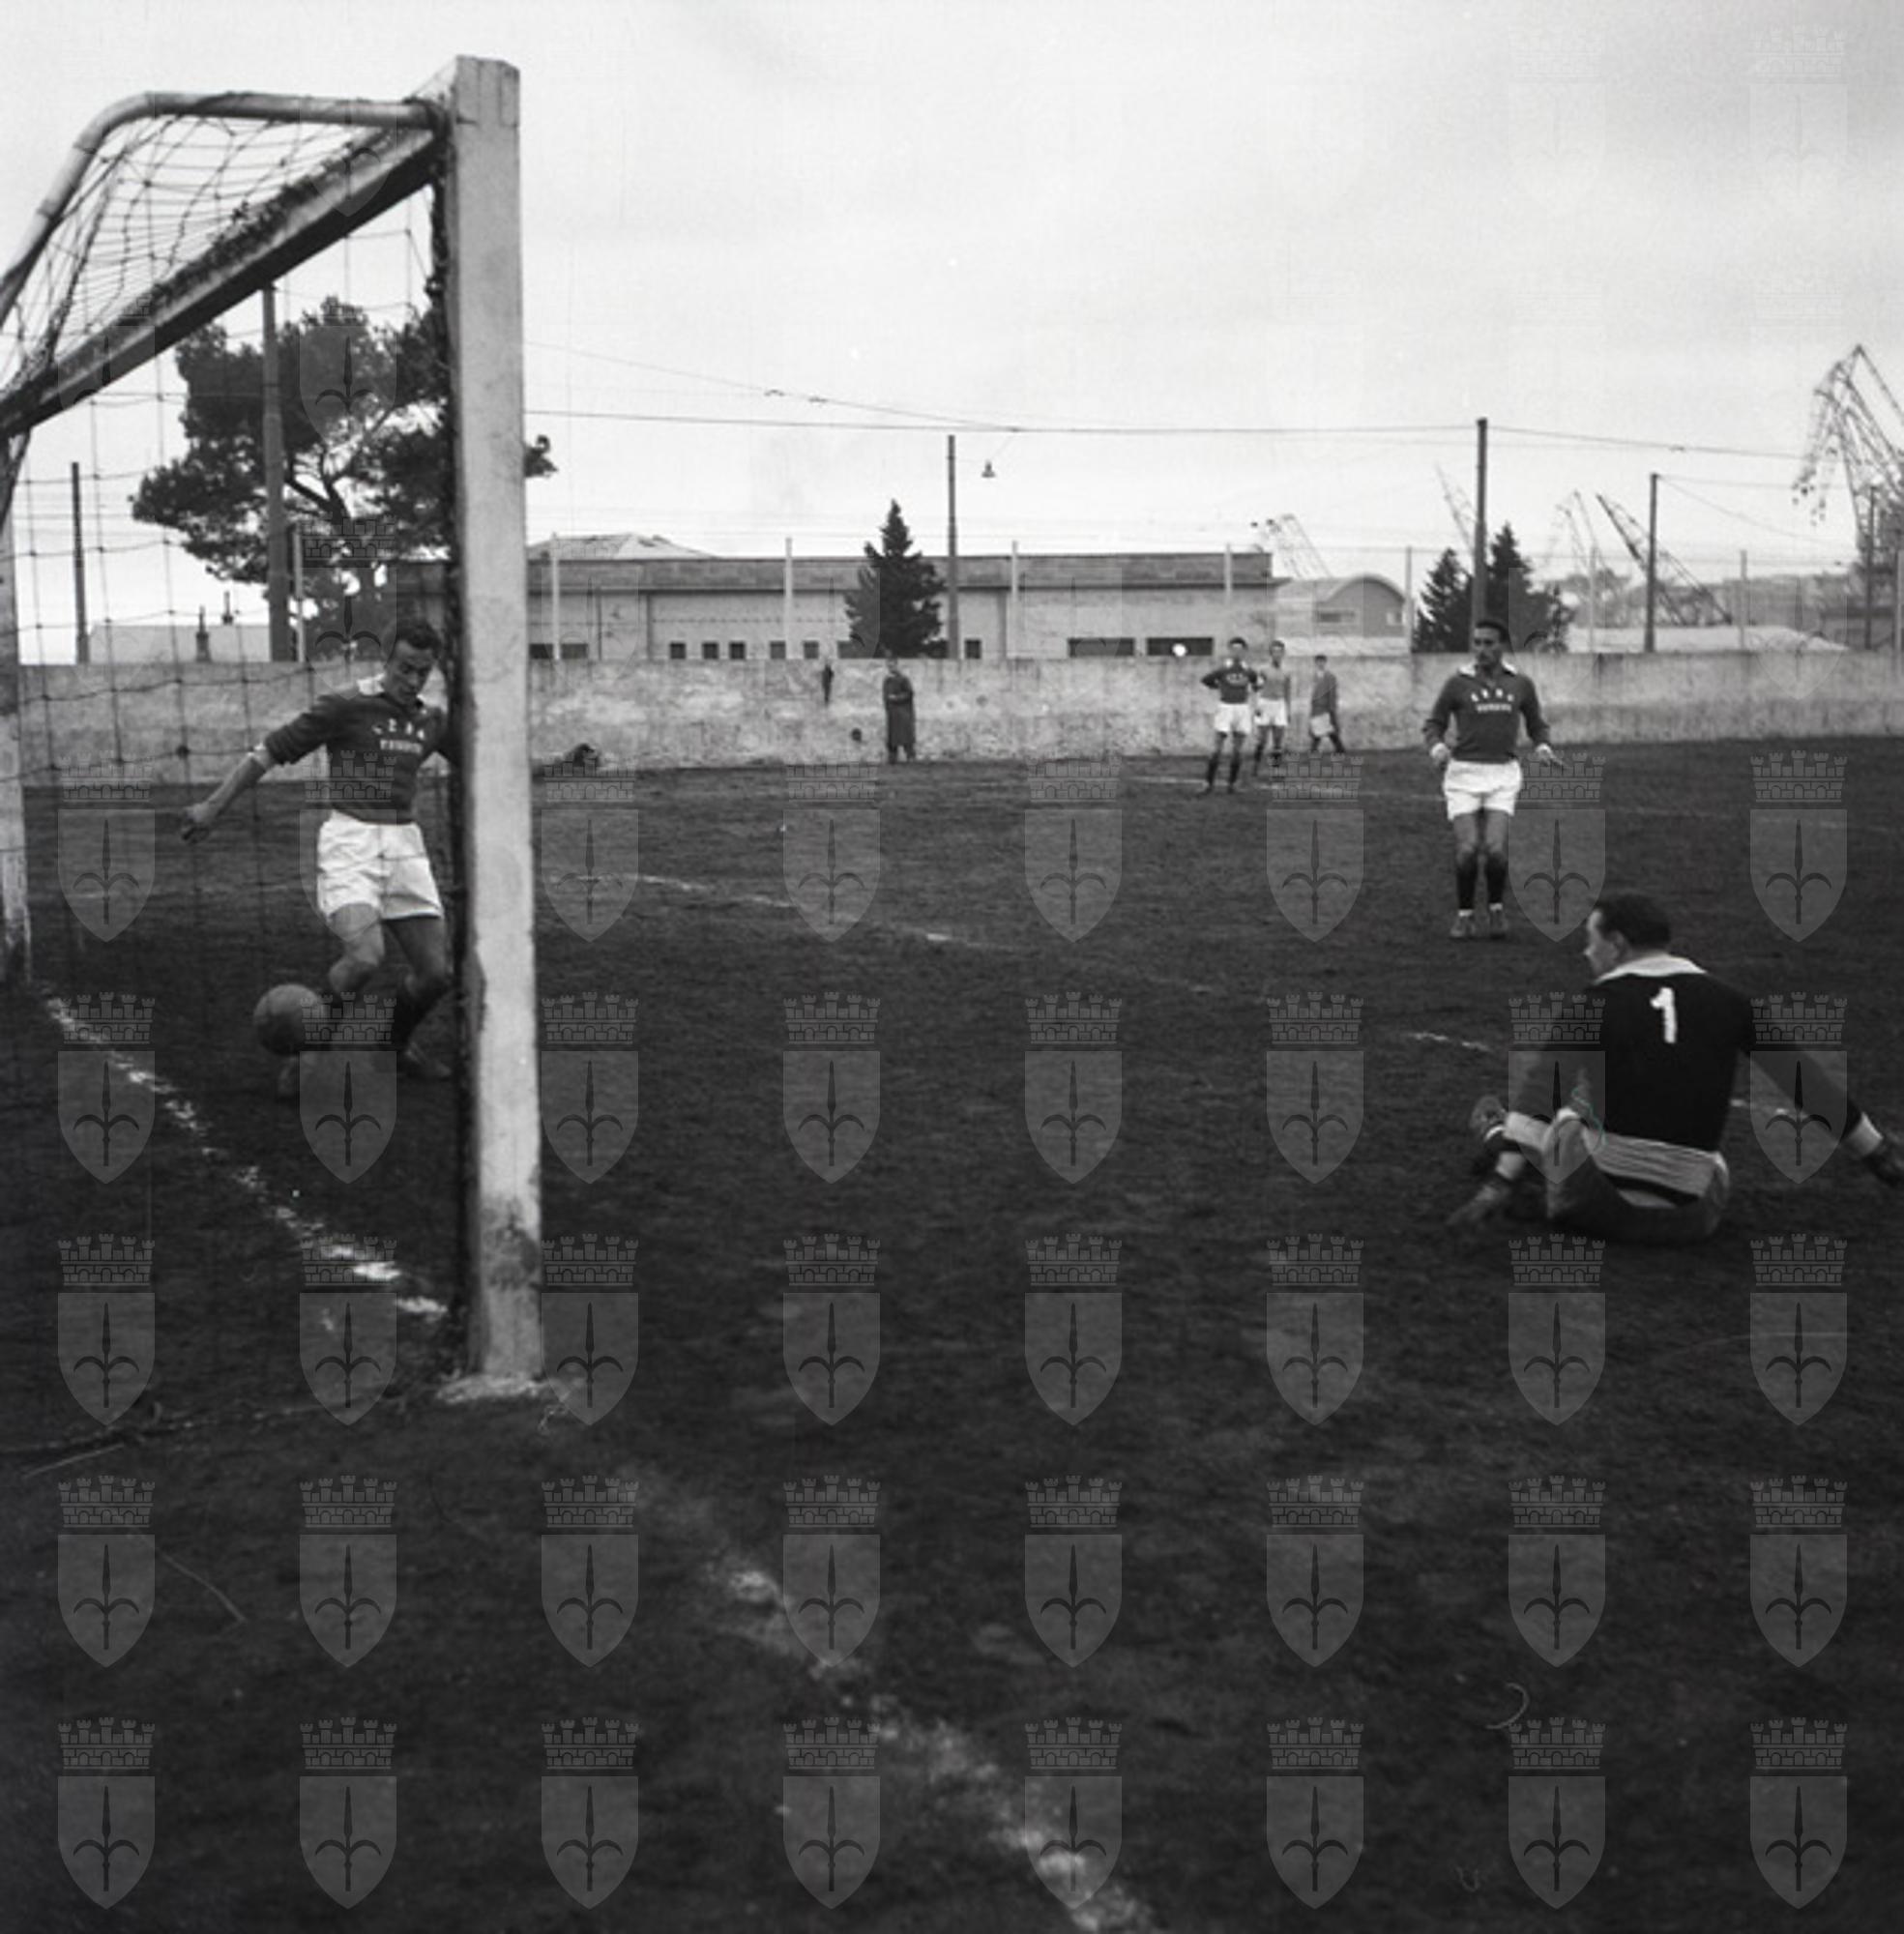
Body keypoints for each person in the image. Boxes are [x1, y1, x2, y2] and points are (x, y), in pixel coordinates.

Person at [1447, 892, 1904, 1241]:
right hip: (1693, 1220)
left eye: (1591, 941)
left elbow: (1541, 1092)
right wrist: (1877, 1152)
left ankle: (1499, 1141)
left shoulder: (1595, 1003)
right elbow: (1806, 1082)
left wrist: (1499, 1183)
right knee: (1713, 1162)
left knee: (1571, 1116)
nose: (1586, 953)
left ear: (1617, 945)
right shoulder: (1731, 1002)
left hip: (1594, 1208)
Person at [180, 619, 454, 1097]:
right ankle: (306, 1053)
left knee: (435, 975)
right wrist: (212, 806)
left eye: (422, 672)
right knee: (364, 958)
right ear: (386, 659)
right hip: (351, 844)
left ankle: (393, 1047)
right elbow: (268, 752)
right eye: (405, 668)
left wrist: (560, 765)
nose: (412, 680)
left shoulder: (431, 720)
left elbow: (489, 762)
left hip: (405, 846)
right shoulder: (344, 705)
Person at [1423, 616, 1557, 941]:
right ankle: (1465, 916)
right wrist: (1437, 747)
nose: (1481, 649)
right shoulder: (1457, 683)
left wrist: (1542, 746)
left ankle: (1496, 910)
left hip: (1503, 774)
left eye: (1488, 643)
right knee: (1468, 849)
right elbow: (1434, 723)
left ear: (1503, 646)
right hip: (1463, 775)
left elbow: (1536, 723)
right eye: (1477, 643)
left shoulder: (1520, 684)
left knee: (1496, 850)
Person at [1199, 639, 1260, 793]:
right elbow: (1205, 680)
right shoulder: (1223, 669)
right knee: (1217, 747)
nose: (1236, 652)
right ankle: (1208, 782)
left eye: (1239, 650)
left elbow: (1258, 683)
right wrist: (1219, 687)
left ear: (1244, 652)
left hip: (1242, 708)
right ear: (1230, 651)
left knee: (1238, 749)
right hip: (1225, 707)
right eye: (1234, 649)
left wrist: (1251, 691)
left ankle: (1232, 783)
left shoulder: (1248, 670)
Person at [1251, 638, 1293, 781]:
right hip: (1265, 703)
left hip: (1279, 704)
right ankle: (1255, 766)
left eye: (1280, 652)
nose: (1277, 654)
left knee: (1278, 740)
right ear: (1271, 654)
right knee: (1262, 739)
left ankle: (1276, 770)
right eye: (1275, 652)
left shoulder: (1287, 672)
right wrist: (1257, 706)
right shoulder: (1263, 670)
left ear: (1283, 654)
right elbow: (1256, 689)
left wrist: (1288, 710)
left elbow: (1287, 691)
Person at [1307, 655, 1346, 754]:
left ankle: (1314, 750)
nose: (1320, 664)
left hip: (1325, 707)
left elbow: (1332, 693)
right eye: (1318, 662)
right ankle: (1340, 749)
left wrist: (1332, 707)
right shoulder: (1315, 676)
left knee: (1323, 730)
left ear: (1325, 663)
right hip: (1316, 708)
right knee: (1324, 729)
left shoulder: (1330, 677)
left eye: (1322, 662)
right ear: (1315, 663)